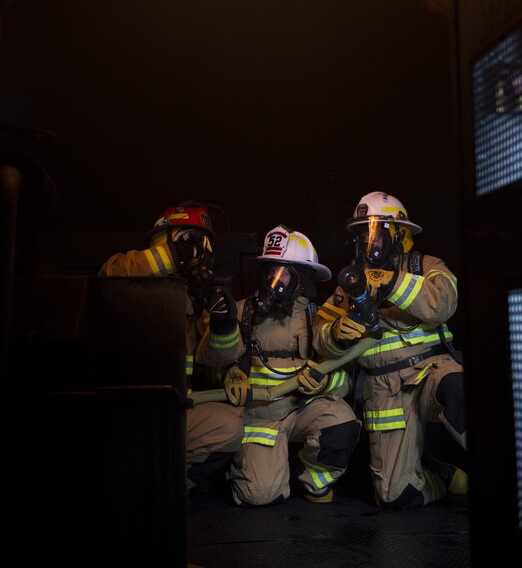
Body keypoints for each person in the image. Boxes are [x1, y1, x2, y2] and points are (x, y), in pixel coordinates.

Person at [313, 191, 468, 510]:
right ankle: (438, 473)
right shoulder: (349, 285)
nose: (368, 242)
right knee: (395, 497)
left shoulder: (425, 265)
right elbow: (319, 338)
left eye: (376, 233)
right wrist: (336, 334)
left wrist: (391, 281)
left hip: (430, 372)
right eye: (361, 234)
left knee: (458, 388)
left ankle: (520, 474)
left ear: (400, 235)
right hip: (383, 389)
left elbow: (444, 303)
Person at [99, 200, 246, 490]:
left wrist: (225, 329)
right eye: (194, 244)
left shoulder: (195, 304)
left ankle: (166, 490)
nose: (203, 256)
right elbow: (107, 277)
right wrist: (170, 256)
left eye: (206, 249)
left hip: (174, 411)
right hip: (125, 416)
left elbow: (212, 360)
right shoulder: (128, 277)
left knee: (229, 425)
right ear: (165, 243)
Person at [223, 224, 361, 506]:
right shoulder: (241, 312)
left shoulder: (317, 319)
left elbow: (345, 376)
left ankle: (308, 476)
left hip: (300, 411)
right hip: (259, 420)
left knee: (341, 421)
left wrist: (324, 382)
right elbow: (213, 364)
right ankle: (255, 463)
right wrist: (230, 371)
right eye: (272, 270)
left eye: (286, 272)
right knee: (258, 496)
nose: (277, 279)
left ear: (303, 278)